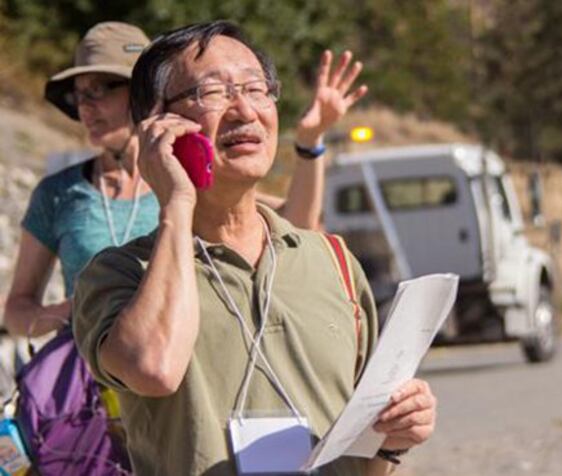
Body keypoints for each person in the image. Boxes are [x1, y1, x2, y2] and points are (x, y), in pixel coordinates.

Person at [72, 20, 436, 476]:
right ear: (155, 127)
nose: (245, 109)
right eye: (212, 93)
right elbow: (154, 368)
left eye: (256, 89)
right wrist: (177, 202)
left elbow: (363, 457)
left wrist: (391, 441)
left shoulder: (333, 261)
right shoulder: (119, 276)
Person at [4, 21, 356, 338]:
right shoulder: (58, 193)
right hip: (88, 393)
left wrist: (310, 143)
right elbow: (16, 310)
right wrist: (78, 313)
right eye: (79, 96)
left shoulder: (195, 178)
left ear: (144, 95)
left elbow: (297, 228)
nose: (86, 107)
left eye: (103, 88)